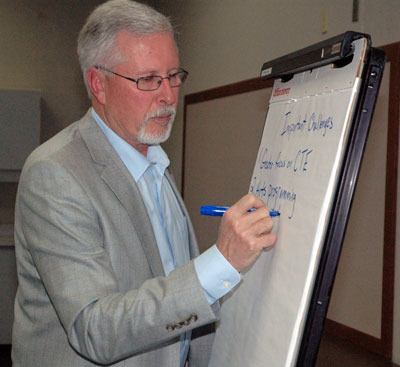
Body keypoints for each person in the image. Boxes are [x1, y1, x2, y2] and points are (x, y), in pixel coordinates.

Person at [12, 1, 276, 366]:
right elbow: (95, 329)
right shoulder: (55, 173)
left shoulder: (154, 160)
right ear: (98, 84)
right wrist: (221, 261)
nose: (168, 95)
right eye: (148, 80)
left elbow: (166, 285)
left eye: (173, 76)